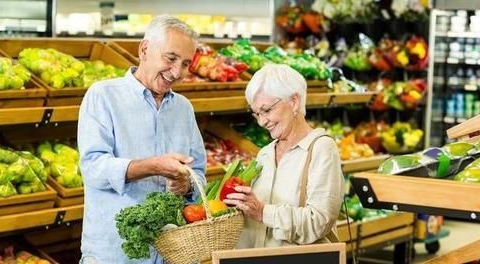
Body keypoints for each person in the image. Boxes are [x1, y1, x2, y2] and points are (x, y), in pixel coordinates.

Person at [77, 15, 206, 263]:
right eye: (170, 59)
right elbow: (93, 168)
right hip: (115, 253)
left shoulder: (183, 108)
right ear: (144, 49)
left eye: (186, 63)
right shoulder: (103, 96)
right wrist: (152, 166)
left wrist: (186, 184)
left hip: (169, 252)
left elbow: (198, 171)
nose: (177, 72)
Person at [223, 64, 344, 248]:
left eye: (267, 110)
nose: (262, 122)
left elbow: (319, 221)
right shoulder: (265, 154)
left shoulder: (321, 149)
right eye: (256, 114)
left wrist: (264, 213)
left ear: (294, 101)